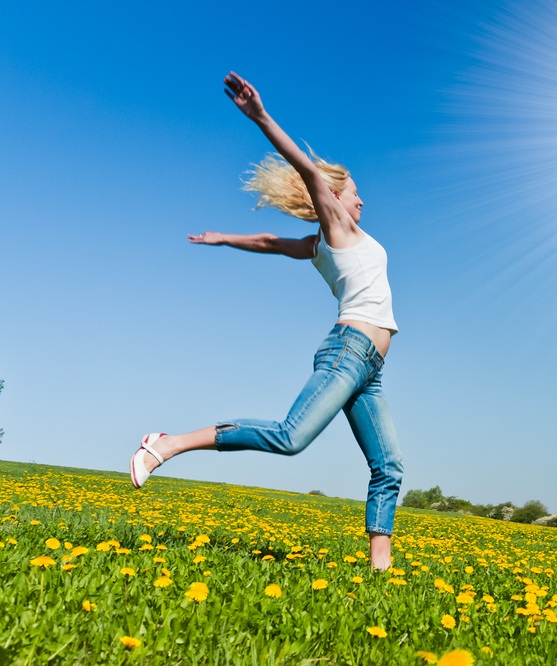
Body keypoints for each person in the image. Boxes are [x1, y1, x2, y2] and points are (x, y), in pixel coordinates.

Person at [129, 71, 403, 570]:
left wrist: (223, 238)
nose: (362, 201)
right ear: (334, 200)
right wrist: (261, 118)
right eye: (355, 193)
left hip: (369, 368)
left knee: (389, 467)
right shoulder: (336, 228)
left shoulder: (319, 245)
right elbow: (310, 174)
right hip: (350, 350)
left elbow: (269, 243)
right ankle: (168, 443)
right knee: (291, 436)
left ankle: (380, 571)